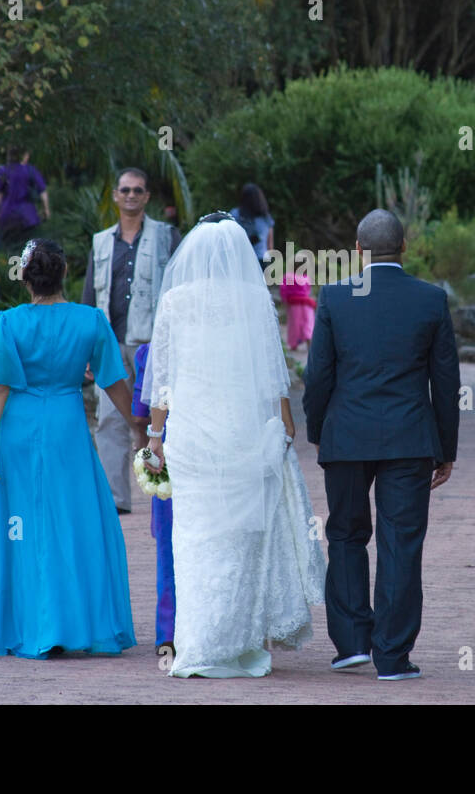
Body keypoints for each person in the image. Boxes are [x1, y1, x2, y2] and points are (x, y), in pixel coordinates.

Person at [143, 213, 325, 678]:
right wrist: (285, 422)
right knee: (242, 538)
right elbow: (271, 371)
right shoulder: (253, 300)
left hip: (193, 432)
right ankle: (241, 644)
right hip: (242, 430)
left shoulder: (176, 300)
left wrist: (155, 436)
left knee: (195, 539)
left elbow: (162, 377)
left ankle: (199, 642)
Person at [0, 239, 142, 659]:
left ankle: (29, 622)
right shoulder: (91, 320)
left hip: (17, 427)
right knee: (71, 521)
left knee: (18, 525)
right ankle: (66, 621)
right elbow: (113, 381)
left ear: (25, 278)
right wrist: (139, 428)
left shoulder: (7, 322)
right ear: (64, 273)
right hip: (66, 426)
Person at [302, 209, 461, 680]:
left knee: (347, 535)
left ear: (357, 250)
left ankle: (352, 642)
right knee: (400, 544)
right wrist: (445, 449)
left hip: (346, 437)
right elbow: (446, 383)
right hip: (410, 439)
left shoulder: (334, 297)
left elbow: (318, 378)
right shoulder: (431, 300)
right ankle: (392, 657)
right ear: (404, 248)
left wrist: (319, 433)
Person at [82, 167, 181, 514]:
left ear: (147, 196)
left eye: (138, 190)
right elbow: (89, 296)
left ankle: (167, 490)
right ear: (116, 195)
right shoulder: (100, 240)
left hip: (152, 344)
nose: (131, 196)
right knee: (110, 419)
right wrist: (86, 350)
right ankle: (115, 499)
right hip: (109, 342)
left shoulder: (167, 236)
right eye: (125, 190)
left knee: (160, 417)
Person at [131, 341, 175, 653]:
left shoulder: (154, 351)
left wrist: (152, 438)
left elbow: (139, 413)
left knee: (169, 542)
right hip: (223, 447)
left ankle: (169, 630)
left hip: (173, 444)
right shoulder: (233, 337)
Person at [0, 145, 50, 250]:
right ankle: (25, 265)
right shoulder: (31, 170)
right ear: (24, 156)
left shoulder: (3, 171)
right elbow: (43, 192)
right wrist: (46, 210)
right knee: (29, 249)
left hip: (7, 216)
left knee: (9, 249)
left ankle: (12, 264)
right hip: (29, 217)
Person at [230, 183, 275, 270]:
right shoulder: (266, 218)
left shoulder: (235, 215)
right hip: (261, 260)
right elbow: (270, 245)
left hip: (241, 261)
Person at [279, 269, 316, 350]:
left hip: (293, 303)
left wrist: (284, 300)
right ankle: (309, 341)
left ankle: (294, 345)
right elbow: (308, 290)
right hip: (307, 303)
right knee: (308, 322)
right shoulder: (306, 277)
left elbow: (283, 289)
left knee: (294, 324)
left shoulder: (288, 276)